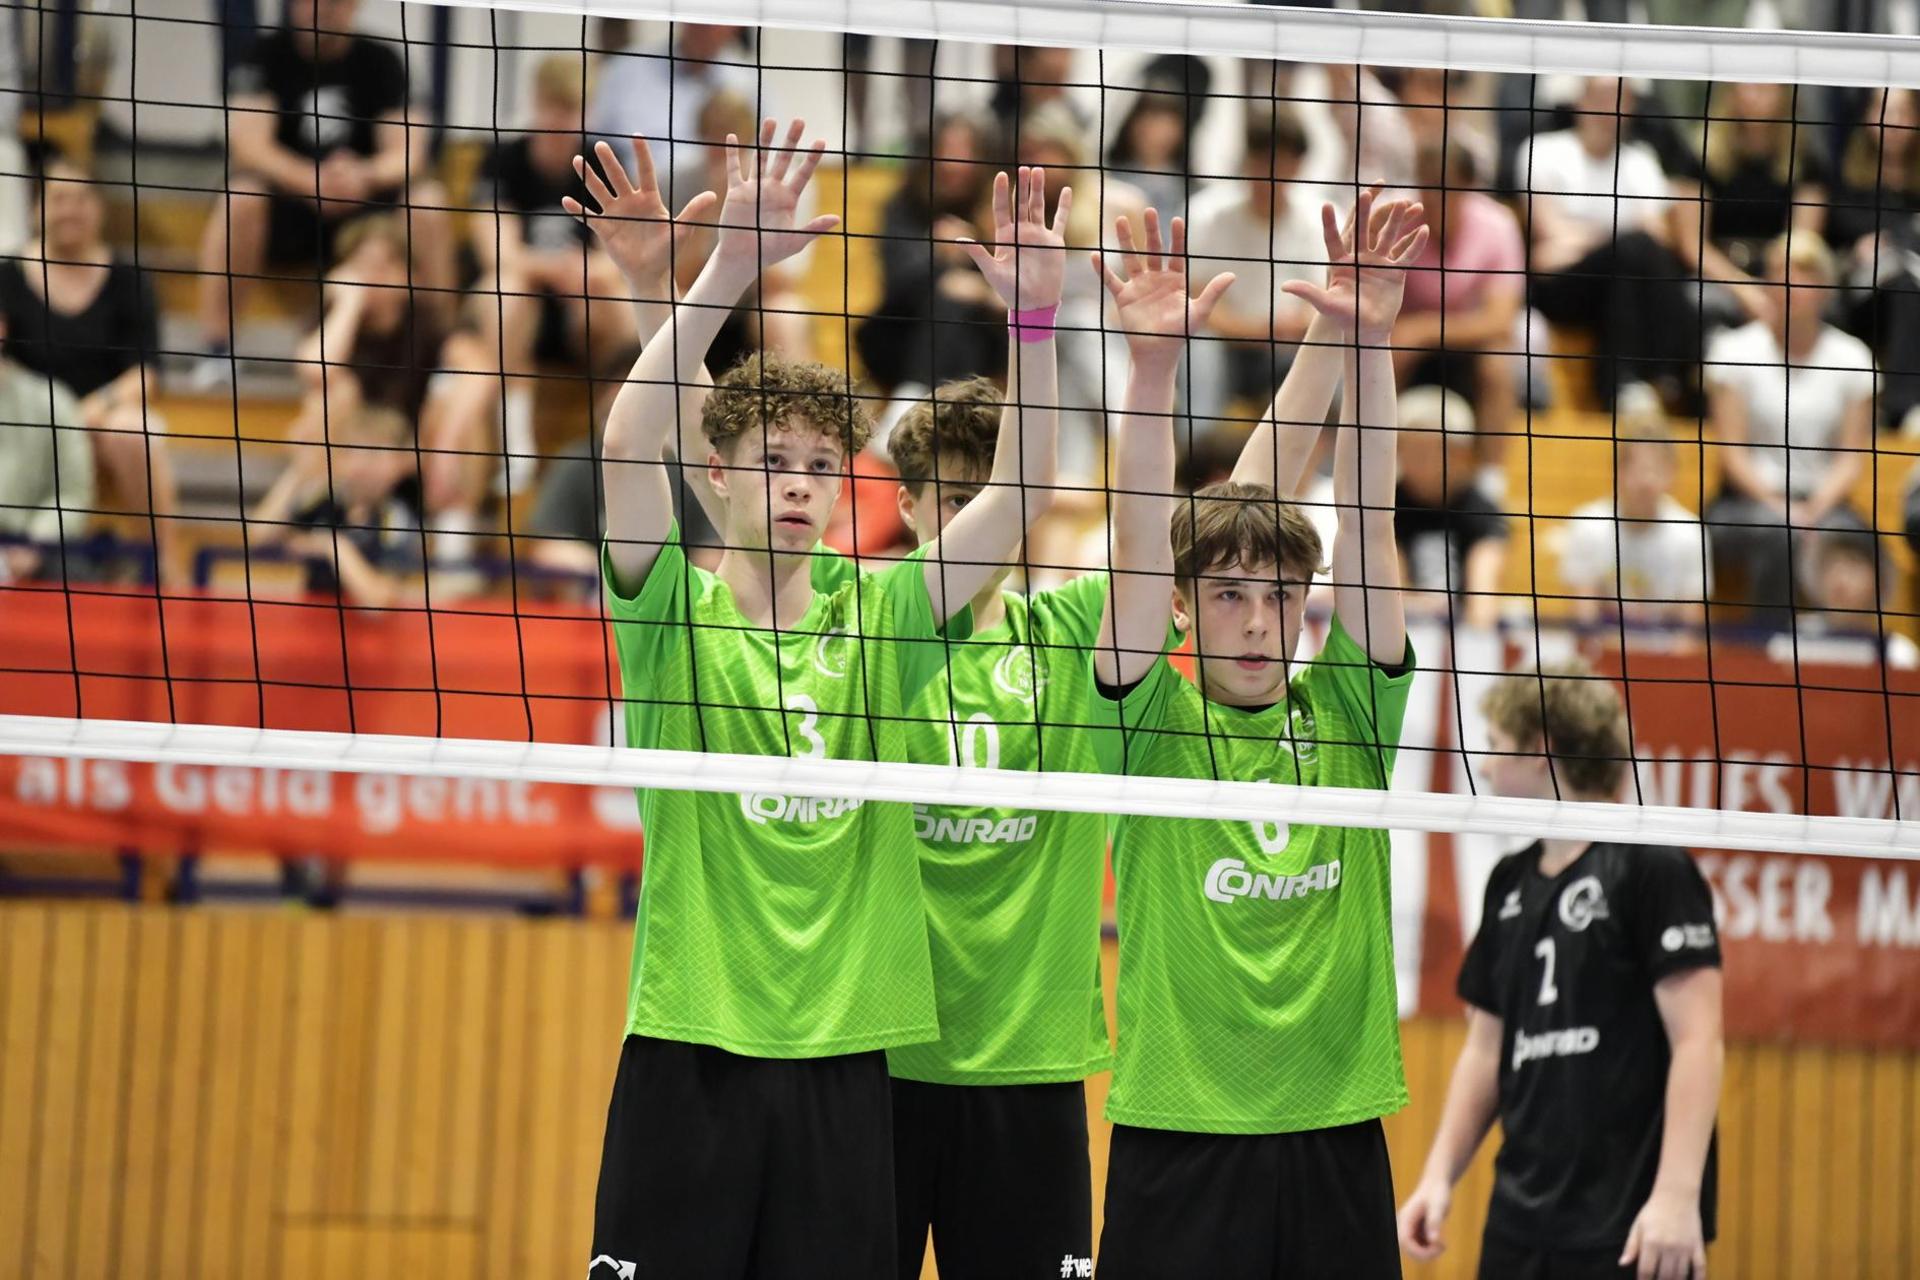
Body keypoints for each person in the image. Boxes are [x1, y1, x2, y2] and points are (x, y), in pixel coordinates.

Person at [574, 119, 1068, 1274]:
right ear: (718, 474)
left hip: (847, 1062)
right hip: (691, 1040)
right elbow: (627, 440)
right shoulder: (672, 615)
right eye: (773, 461)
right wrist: (728, 266)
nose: (799, 483)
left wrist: (1036, 323)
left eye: (819, 466)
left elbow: (1023, 491)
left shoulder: (887, 615)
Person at [1090, 189, 1427, 1278]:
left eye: (1278, 596)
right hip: (1180, 1129)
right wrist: (1151, 375)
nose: (1253, 619)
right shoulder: (1149, 718)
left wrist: (1368, 342)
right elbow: (1140, 549)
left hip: (1333, 1125)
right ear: (1185, 610)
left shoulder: (1348, 712)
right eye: (1227, 594)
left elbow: (1370, 524)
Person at [1398, 664, 1724, 1280]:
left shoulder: (1650, 866)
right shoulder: (1509, 881)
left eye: (1496, 745)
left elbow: (1698, 1039)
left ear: (1540, 749)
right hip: (1521, 1220)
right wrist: (1438, 1176)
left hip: (1631, 1223)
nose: (1484, 766)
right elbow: (1486, 1048)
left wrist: (1676, 1197)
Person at [195, 0, 450, 370]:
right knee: (240, 196)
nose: (318, 9)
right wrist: (311, 180)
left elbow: (409, 153)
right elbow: (248, 145)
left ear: (353, 5)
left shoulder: (382, 60)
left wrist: (364, 175)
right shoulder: (264, 55)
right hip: (290, 208)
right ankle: (217, 349)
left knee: (428, 202)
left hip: (364, 215)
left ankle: (438, 354)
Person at [0, 159, 181, 583]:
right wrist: (50, 418)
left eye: (81, 199)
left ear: (99, 208)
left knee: (136, 432)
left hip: (98, 421)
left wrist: (82, 413)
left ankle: (163, 569)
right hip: (25, 423)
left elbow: (145, 373)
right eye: (59, 199)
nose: (70, 210)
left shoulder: (128, 280)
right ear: (37, 208)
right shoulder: (7, 275)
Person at [292, 214, 499, 579]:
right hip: (348, 461)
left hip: (414, 460)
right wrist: (348, 305)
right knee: (329, 397)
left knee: (465, 413)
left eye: (386, 264)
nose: (375, 275)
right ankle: (317, 521)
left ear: (408, 274)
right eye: (363, 264)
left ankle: (453, 556)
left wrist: (446, 444)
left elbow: (481, 371)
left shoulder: (427, 320)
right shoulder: (332, 319)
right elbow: (314, 371)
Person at [471, 54, 638, 496]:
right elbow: (496, 254)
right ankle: (515, 443)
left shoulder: (604, 161)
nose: (559, 121)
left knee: (616, 298)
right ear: (535, 102)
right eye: (552, 107)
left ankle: (625, 433)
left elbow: (618, 256)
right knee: (505, 290)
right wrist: (555, 267)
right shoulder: (503, 158)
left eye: (570, 109)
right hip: (523, 307)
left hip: (579, 309)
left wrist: (588, 272)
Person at [1704, 234, 1875, 622]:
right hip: (1743, 505)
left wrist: (1813, 509)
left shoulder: (1852, 358)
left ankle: (1848, 649)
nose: (1789, 285)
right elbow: (1732, 455)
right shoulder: (1734, 351)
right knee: (1779, 532)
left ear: (1824, 288)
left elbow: (1850, 460)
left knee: (1857, 542)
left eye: (1802, 275)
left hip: (1824, 503)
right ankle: (1770, 645)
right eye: (1779, 274)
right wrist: (1781, 508)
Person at [1518, 77, 1699, 407]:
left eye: (1620, 99)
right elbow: (1550, 234)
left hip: (1623, 280)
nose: (1609, 108)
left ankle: (1624, 386)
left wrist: (1590, 235)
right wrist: (1620, 235)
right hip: (1563, 284)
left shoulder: (1641, 161)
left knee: (1631, 260)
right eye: (1601, 97)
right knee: (1631, 251)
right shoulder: (1542, 151)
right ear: (1580, 101)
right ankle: (1669, 376)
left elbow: (1659, 236)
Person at [1186, 109, 1328, 432]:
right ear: (1247, 160)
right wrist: (1255, 330)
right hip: (1226, 346)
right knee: (1198, 349)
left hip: (1290, 347)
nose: (1271, 172)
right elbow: (1197, 301)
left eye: (1283, 162)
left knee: (1331, 347)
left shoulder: (1316, 219)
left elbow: (1323, 301)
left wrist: (1296, 325)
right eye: (1263, 160)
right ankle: (1198, 447)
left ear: (1299, 165)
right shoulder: (1209, 216)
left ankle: (1317, 454)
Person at [856, 109, 1006, 398]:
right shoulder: (903, 205)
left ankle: (917, 398)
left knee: (956, 309)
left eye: (966, 150)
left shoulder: (997, 211)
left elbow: (1013, 292)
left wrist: (980, 287)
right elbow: (896, 284)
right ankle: (943, 401)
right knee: (947, 304)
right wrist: (935, 254)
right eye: (946, 149)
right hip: (902, 335)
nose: (954, 162)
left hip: (984, 338)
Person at [1398, 139, 1526, 470]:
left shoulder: (1498, 225)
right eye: (1425, 183)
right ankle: (1383, 463)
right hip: (1407, 345)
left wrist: (1426, 330)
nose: (1433, 196)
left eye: (1445, 185)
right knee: (1381, 351)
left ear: (1468, 185)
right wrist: (1410, 334)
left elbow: (1500, 321)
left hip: (1468, 347)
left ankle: (1490, 477)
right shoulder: (1398, 221)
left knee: (1498, 363)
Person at [249, 401, 417, 607]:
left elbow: (379, 601)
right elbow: (260, 536)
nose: (363, 465)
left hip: (365, 626)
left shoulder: (396, 516)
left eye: (375, 455)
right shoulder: (324, 501)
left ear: (401, 463)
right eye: (352, 452)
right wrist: (298, 471)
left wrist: (334, 547)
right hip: (314, 620)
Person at [1558, 406, 1712, 626]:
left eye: (1656, 469)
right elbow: (1584, 622)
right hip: (1606, 646)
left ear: (1672, 473)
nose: (1646, 481)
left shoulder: (1691, 535)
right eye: (1637, 468)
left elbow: (1691, 631)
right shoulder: (1587, 526)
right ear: (1618, 470)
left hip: (1663, 648)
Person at [586, 22, 758, 206]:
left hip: (718, 203)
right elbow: (590, 144)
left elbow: (757, 157)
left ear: (735, 26)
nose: (703, 26)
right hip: (629, 202)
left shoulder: (748, 84)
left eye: (714, 21)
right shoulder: (625, 70)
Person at [1394, 386, 1510, 631]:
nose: (1412, 460)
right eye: (1406, 448)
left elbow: (1483, 595)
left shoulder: (1481, 509)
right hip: (1402, 632)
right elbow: (1390, 592)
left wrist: (1475, 622)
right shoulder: (1388, 505)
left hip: (1461, 634)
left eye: (1426, 451)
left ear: (1460, 454)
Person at [0, 312, 95, 582]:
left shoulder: (52, 402)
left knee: (73, 573)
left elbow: (73, 493)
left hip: (29, 543)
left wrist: (35, 543)